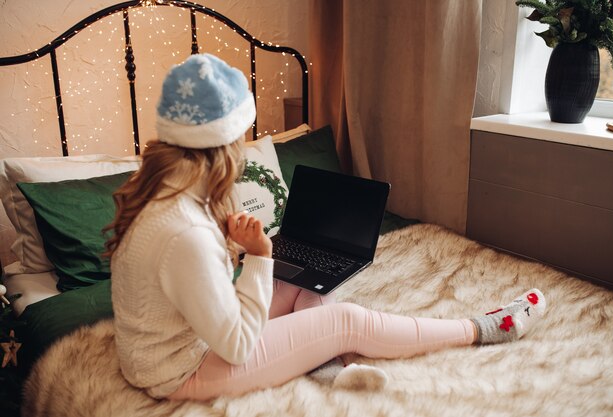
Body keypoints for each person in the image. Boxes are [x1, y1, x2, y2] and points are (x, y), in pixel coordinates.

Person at [104, 53, 547, 401]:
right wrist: (259, 257)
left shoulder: (162, 194)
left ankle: (323, 365)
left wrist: (238, 251)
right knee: (346, 319)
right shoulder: (185, 232)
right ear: (226, 143)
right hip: (183, 369)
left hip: (168, 349)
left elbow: (186, 285)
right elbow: (237, 345)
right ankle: (483, 328)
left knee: (306, 287)